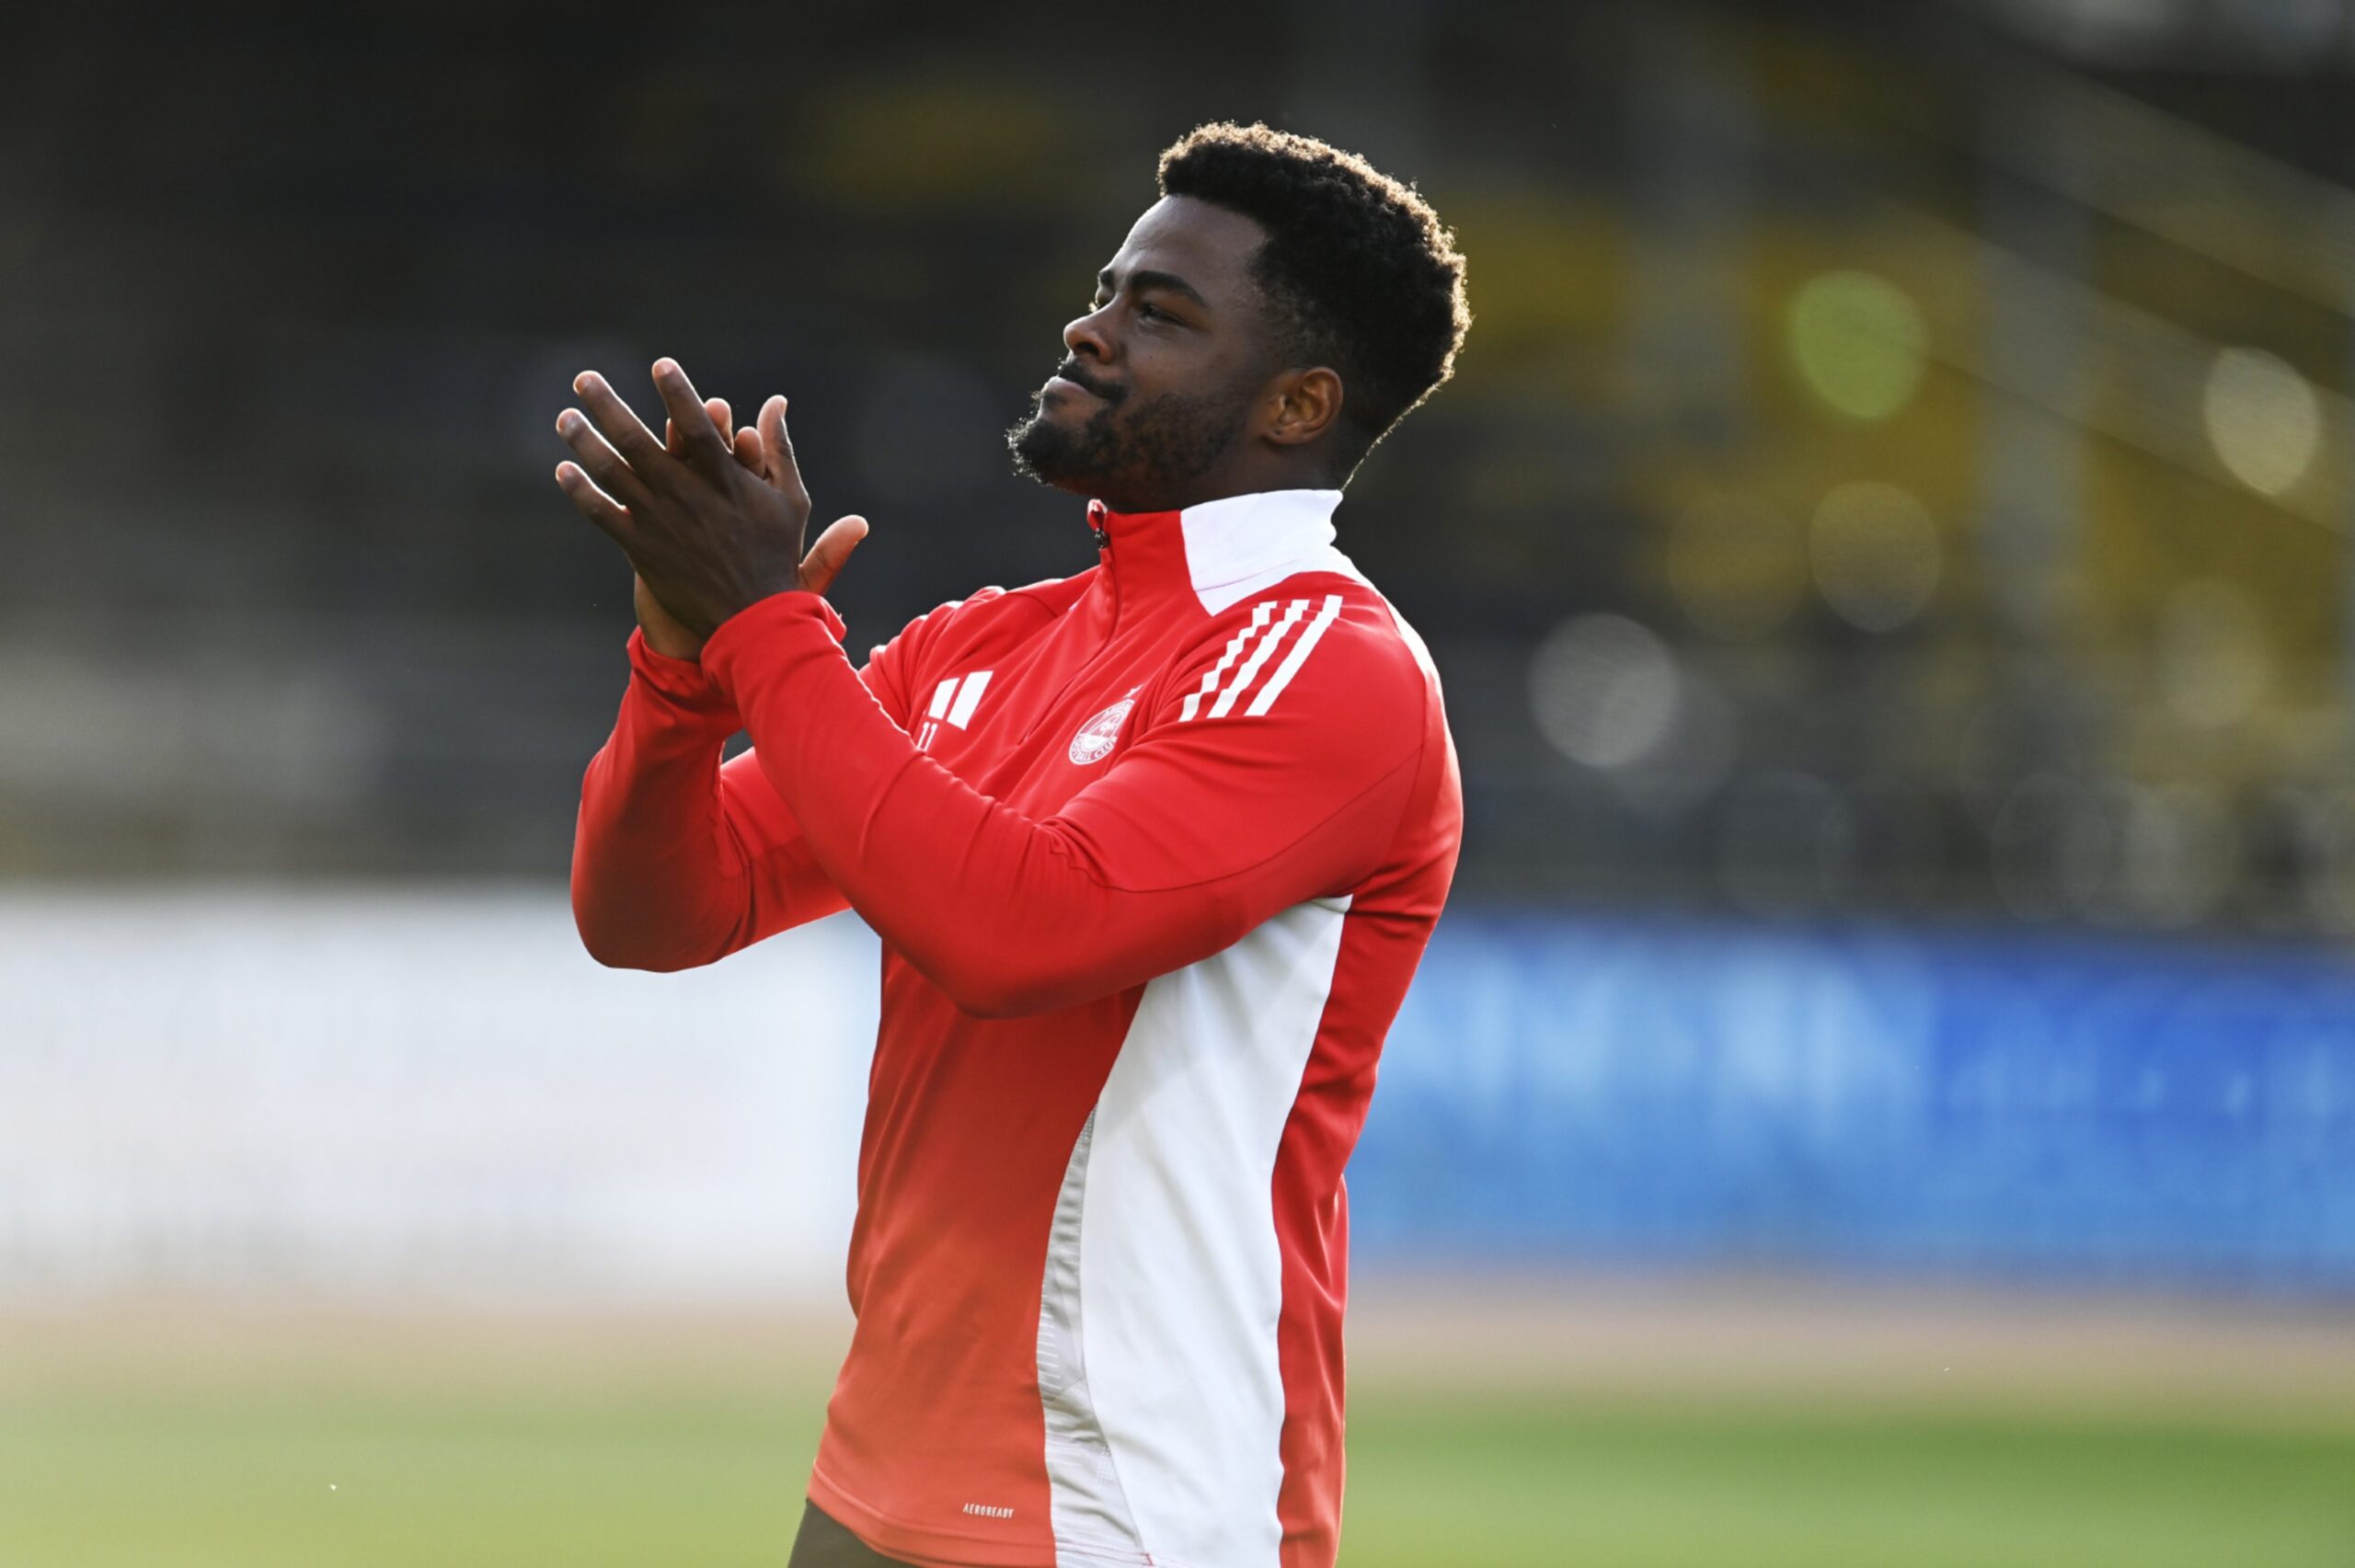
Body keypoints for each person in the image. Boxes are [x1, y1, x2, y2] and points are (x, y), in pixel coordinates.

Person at [555, 121, 1468, 1568]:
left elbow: (1018, 932)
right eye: (1107, 289)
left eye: (1157, 312)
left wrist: (764, 628)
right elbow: (658, 912)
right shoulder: (985, 643)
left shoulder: (1331, 664)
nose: (1090, 328)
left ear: (1297, 402)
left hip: (1133, 1503)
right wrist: (680, 672)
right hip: (872, 1480)